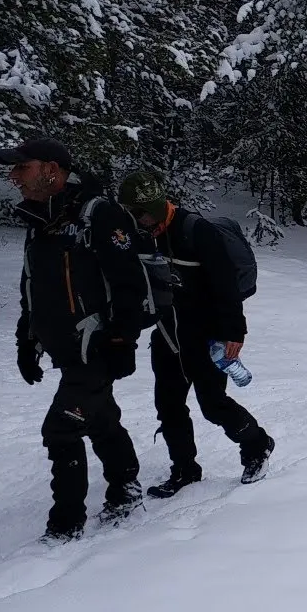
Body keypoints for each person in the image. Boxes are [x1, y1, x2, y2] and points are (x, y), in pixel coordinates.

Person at [0, 137, 145, 543]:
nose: (13, 177)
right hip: (66, 349)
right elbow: (32, 286)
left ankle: (65, 524)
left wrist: (122, 340)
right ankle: (126, 487)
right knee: (100, 418)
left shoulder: (99, 214)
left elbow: (129, 282)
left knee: (61, 430)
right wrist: (26, 341)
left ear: (52, 169)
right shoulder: (41, 219)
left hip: (97, 347)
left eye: (21, 168)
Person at [116, 172, 275, 498]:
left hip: (207, 336)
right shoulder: (143, 236)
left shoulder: (196, 231)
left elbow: (226, 285)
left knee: (213, 405)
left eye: (139, 212)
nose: (136, 220)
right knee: (169, 405)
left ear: (156, 207)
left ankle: (257, 444)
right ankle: (184, 469)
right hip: (167, 334)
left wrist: (234, 332)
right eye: (130, 213)